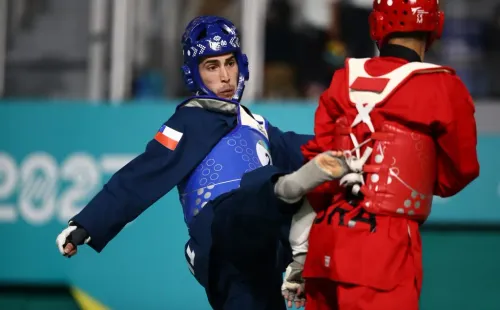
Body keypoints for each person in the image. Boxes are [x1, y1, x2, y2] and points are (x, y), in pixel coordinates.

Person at [54, 16, 348, 310]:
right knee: (264, 189)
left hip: (262, 255)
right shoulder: (188, 121)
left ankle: (301, 235)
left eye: (229, 63)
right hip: (222, 242)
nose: (225, 76)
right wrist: (87, 223)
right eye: (212, 66)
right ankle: (294, 217)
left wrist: (359, 141)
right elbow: (141, 174)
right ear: (195, 74)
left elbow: (308, 147)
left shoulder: (256, 124)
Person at [281, 0, 480, 309]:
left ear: (377, 24)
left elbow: (318, 173)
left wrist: (300, 257)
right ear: (434, 24)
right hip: (385, 252)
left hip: (324, 249)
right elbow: (458, 174)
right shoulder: (444, 86)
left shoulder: (342, 79)